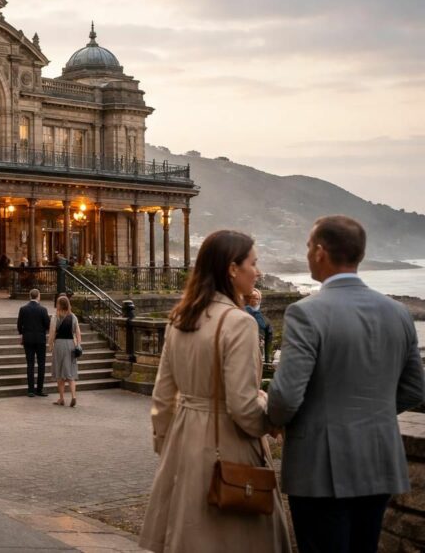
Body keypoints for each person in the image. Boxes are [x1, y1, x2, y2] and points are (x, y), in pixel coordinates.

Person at [269, 216, 425, 553]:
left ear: (320, 252)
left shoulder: (305, 313)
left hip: (321, 465)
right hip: (379, 458)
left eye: (308, 247)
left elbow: (286, 396)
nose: (308, 254)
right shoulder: (398, 312)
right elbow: (415, 388)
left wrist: (274, 419)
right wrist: (373, 413)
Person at [139, 230, 290, 553]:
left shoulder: (180, 319)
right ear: (233, 269)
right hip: (228, 445)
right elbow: (242, 407)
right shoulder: (240, 323)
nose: (258, 272)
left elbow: (162, 397)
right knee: (234, 539)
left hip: (183, 444)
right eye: (253, 263)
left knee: (186, 537)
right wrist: (270, 419)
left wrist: (167, 447)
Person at [48, 295, 81, 407]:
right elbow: (78, 332)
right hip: (71, 344)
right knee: (70, 372)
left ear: (59, 304)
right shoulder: (73, 317)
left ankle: (61, 398)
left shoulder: (55, 317)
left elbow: (52, 332)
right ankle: (73, 396)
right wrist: (78, 345)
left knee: (59, 372)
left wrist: (50, 344)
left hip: (59, 344)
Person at [16, 289, 50, 397]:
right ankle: (39, 389)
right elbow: (47, 324)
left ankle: (30, 390)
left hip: (28, 339)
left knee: (30, 364)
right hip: (40, 339)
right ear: (38, 296)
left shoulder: (23, 309)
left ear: (29, 296)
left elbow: (19, 324)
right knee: (41, 364)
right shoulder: (43, 309)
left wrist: (22, 334)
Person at [244, 287, 272, 364]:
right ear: (247, 299)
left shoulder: (265, 320)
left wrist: (267, 359)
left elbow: (269, 339)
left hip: (258, 356)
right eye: (251, 297)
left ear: (259, 301)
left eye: (256, 298)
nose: (254, 300)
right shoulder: (239, 314)